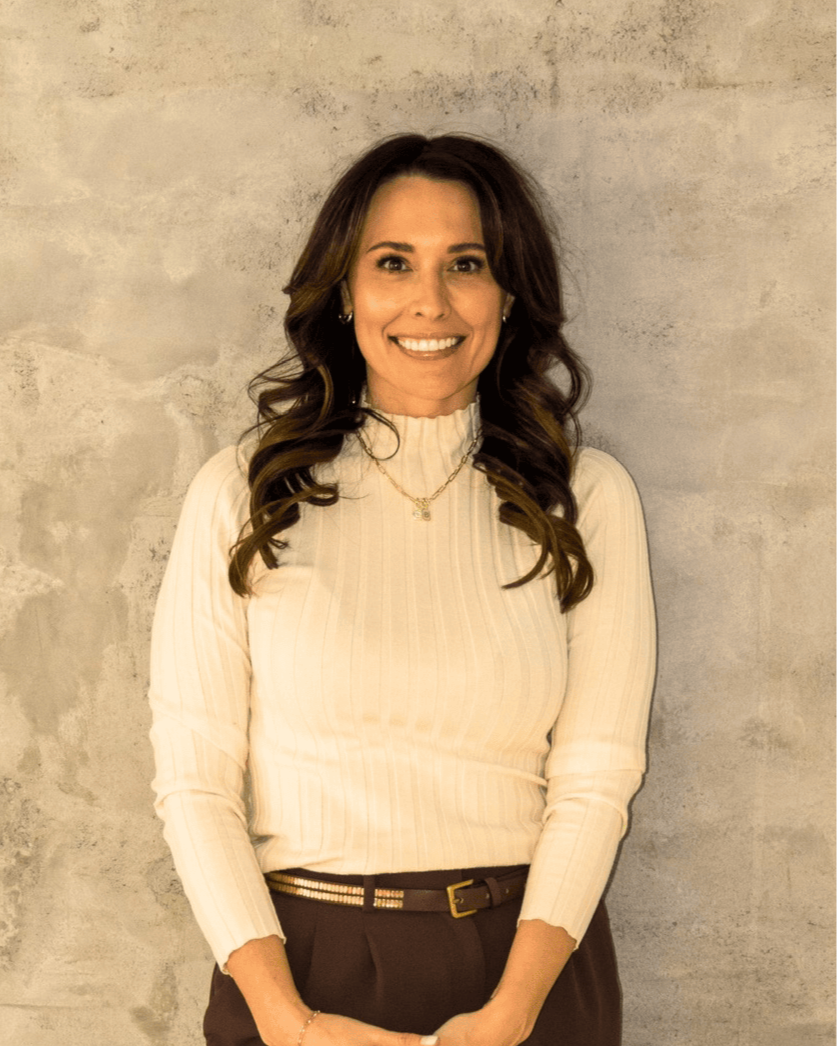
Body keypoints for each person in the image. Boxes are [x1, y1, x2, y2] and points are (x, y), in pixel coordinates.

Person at [149, 133, 656, 1046]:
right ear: (344, 293)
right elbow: (194, 781)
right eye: (392, 263)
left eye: (467, 264)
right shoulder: (244, 494)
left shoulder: (586, 495)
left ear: (508, 293)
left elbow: (596, 776)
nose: (430, 301)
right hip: (295, 971)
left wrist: (512, 1012)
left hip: (528, 972)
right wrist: (288, 1024)